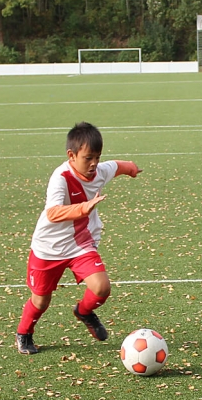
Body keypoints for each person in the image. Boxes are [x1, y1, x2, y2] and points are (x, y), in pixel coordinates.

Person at [16, 122, 142, 355]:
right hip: (48, 248)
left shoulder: (99, 170)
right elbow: (53, 213)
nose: (94, 163)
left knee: (102, 287)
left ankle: (84, 312)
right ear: (71, 155)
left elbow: (116, 166)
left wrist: (131, 168)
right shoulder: (61, 177)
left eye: (97, 157)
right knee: (41, 301)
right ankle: (24, 333)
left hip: (80, 244)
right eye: (88, 158)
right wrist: (83, 208)